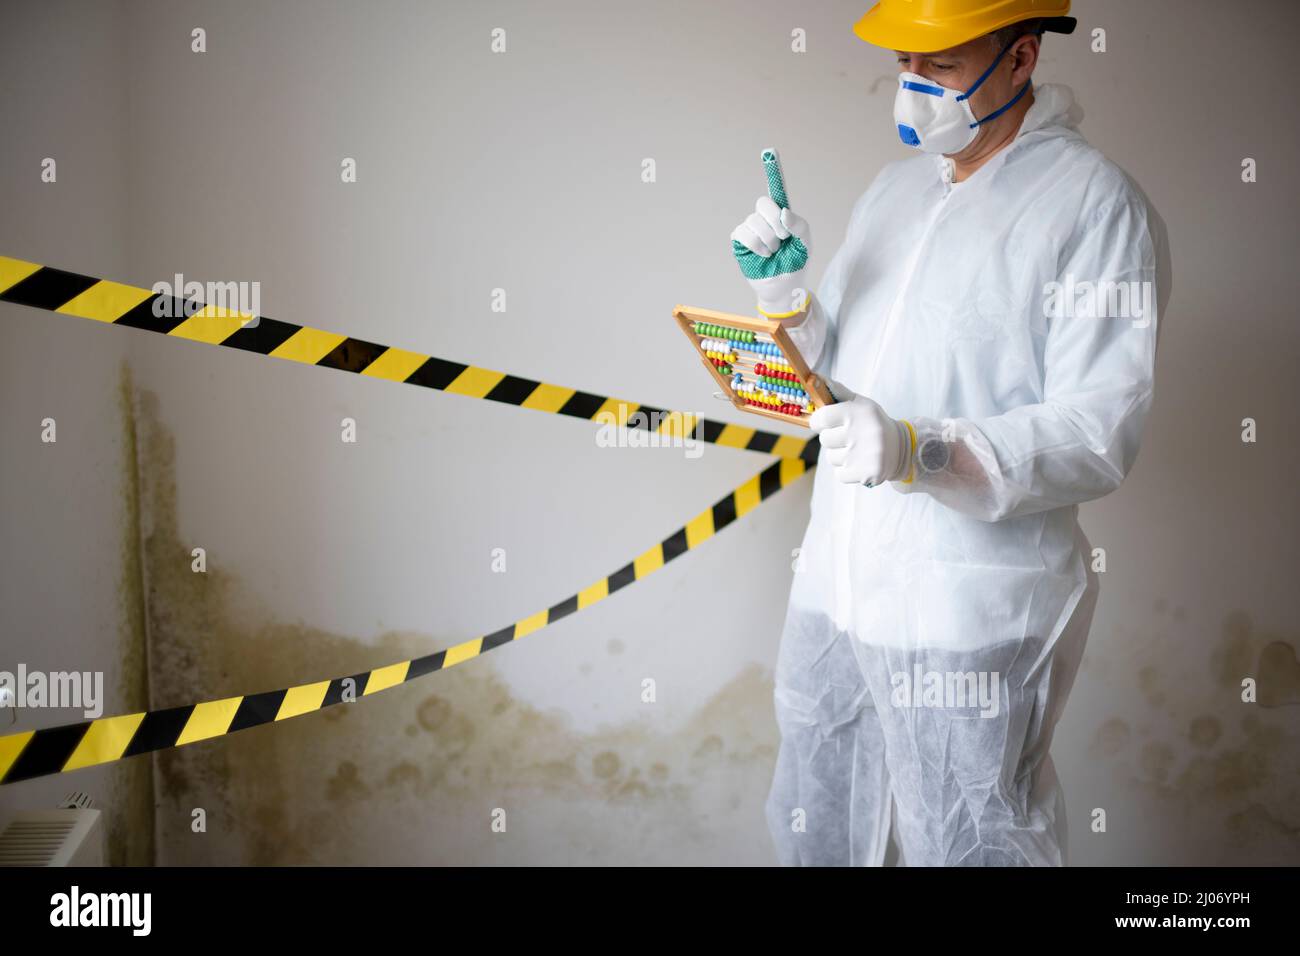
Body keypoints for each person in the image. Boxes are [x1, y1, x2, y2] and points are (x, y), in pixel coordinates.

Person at [730, 0, 1171, 866]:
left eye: (940, 66)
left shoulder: (1093, 205)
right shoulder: (895, 192)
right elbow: (851, 385)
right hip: (841, 579)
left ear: (1020, 59)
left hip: (967, 601)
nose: (912, 86)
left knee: (972, 837)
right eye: (905, 63)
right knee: (821, 814)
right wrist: (787, 309)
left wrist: (915, 448)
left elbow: (1097, 428)